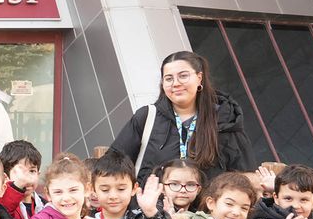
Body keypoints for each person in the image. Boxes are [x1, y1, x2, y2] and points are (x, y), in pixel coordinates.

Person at [109, 51, 255, 184]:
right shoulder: (147, 117)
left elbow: (243, 180)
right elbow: (114, 163)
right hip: (152, 204)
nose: (176, 83)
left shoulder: (225, 120)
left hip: (206, 205)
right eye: (168, 78)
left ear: (199, 78)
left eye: (183, 76)